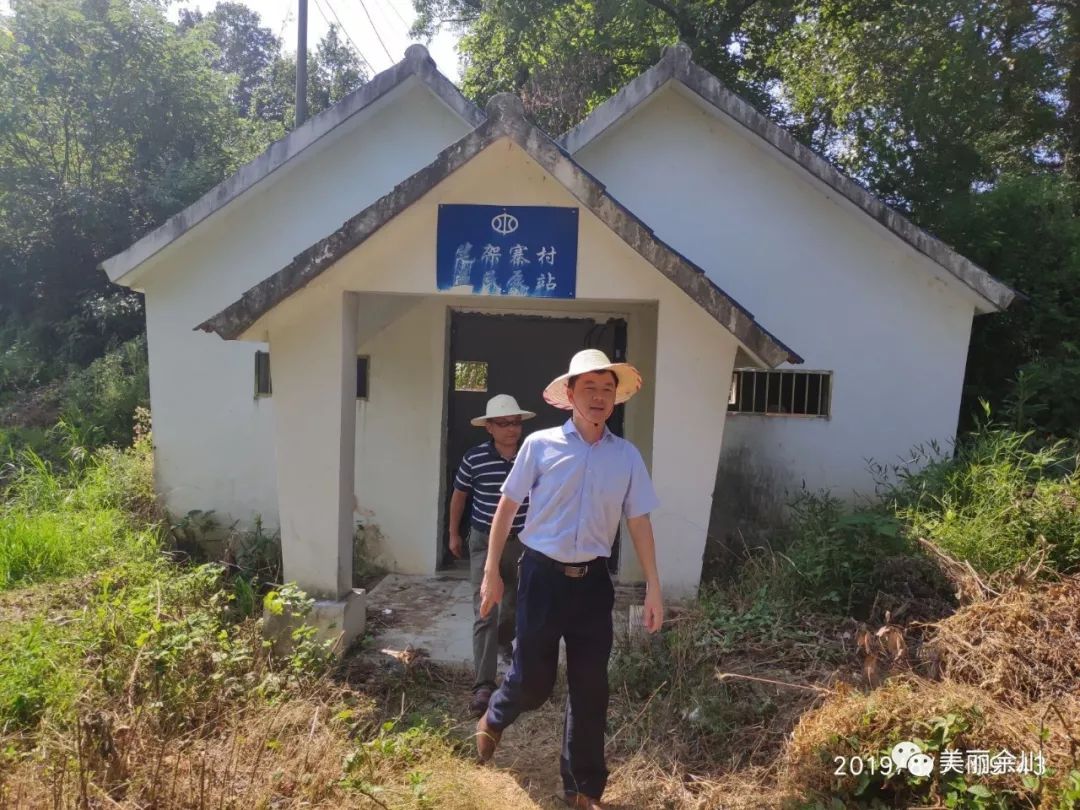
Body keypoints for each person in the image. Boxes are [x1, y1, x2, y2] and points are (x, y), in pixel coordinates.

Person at [475, 349, 664, 810]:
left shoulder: (626, 457)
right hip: (541, 576)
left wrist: (655, 586)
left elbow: (638, 521)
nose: (599, 397)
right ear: (571, 395)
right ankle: (495, 717)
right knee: (535, 682)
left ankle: (584, 789)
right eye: (589, 388)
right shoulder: (539, 446)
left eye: (607, 389)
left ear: (615, 398)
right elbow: (507, 507)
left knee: (590, 685)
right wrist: (491, 574)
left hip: (593, 583)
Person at [450, 393, 535, 718]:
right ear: (489, 428)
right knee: (486, 608)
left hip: (524, 543)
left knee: (516, 606)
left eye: (515, 423)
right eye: (504, 423)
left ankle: (505, 644)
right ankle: (483, 684)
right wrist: (454, 533)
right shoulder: (474, 459)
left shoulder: (532, 457)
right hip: (485, 542)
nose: (512, 429)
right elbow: (460, 495)